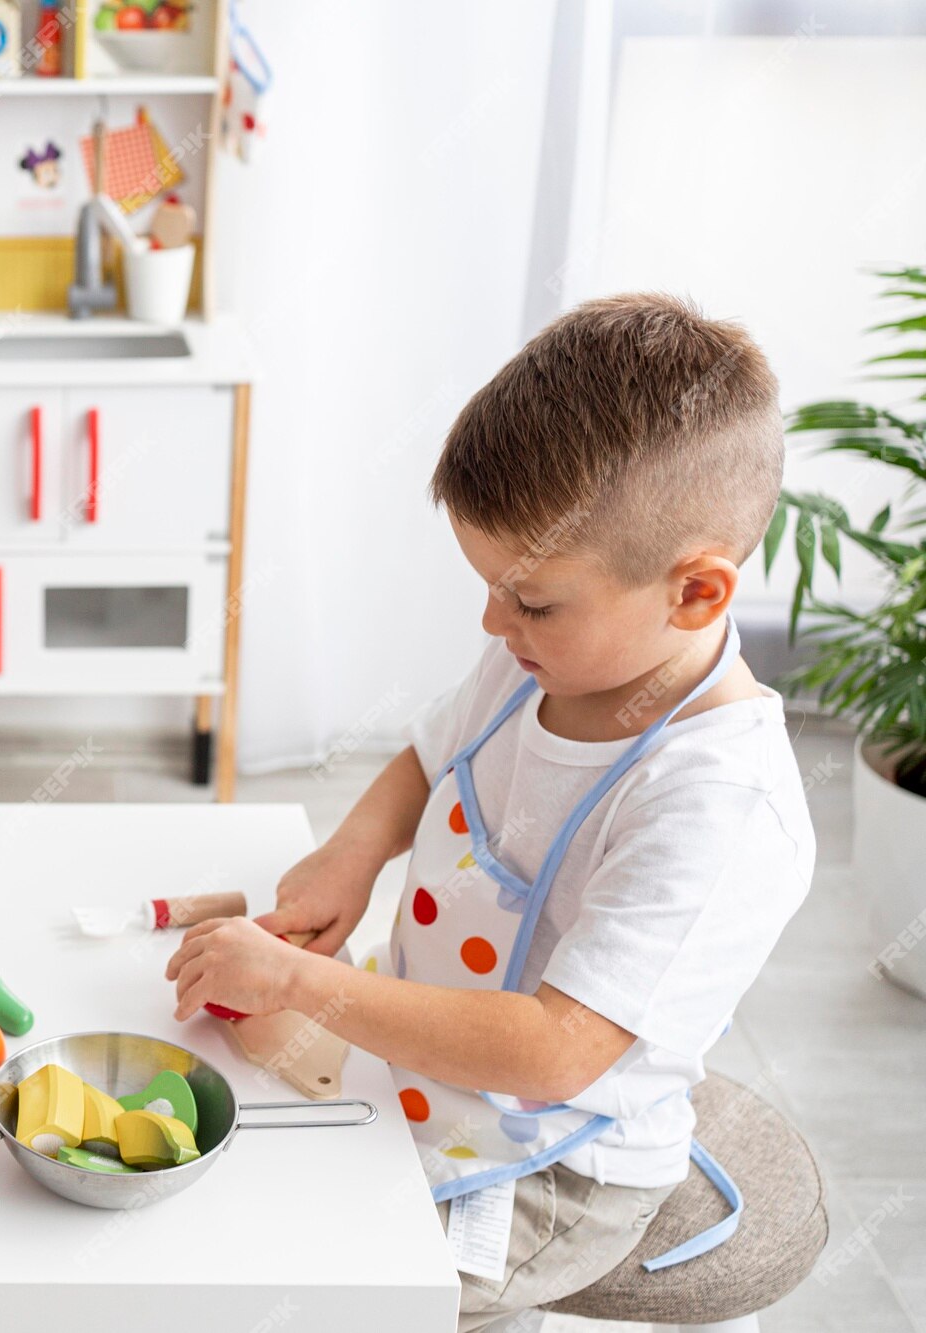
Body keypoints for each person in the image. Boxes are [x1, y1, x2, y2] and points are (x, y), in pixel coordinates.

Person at [166, 294, 814, 1330]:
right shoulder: (534, 659)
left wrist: (300, 980)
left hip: (557, 1158)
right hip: (426, 1056)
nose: (490, 620)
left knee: (367, 1296)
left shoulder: (715, 808)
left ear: (694, 592)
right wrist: (353, 852)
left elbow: (556, 1051)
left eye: (530, 599)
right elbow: (432, 756)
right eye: (489, 588)